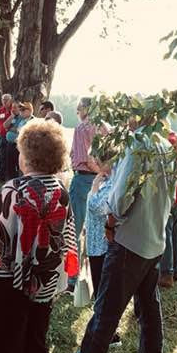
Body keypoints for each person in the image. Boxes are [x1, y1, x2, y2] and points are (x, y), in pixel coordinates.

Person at [51, 118, 175, 353]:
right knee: (149, 312)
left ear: (136, 116)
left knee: (105, 314)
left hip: (129, 242)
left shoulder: (136, 144)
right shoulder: (166, 145)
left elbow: (119, 200)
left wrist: (109, 221)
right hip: (154, 240)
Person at [0, 119, 76, 353]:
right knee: (37, 348)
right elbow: (66, 239)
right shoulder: (62, 191)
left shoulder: (11, 190)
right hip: (46, 283)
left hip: (9, 284)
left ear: (26, 155)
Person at [84, 149, 122, 347]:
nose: (96, 165)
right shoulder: (108, 178)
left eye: (98, 161)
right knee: (100, 287)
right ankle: (103, 328)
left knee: (103, 289)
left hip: (103, 245)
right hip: (95, 242)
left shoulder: (111, 182)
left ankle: (110, 334)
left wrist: (94, 186)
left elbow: (96, 206)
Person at [68, 97, 99, 288]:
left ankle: (72, 278)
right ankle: (93, 277)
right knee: (94, 230)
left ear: (84, 109)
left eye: (78, 109)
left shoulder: (82, 128)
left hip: (83, 178)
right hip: (99, 180)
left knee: (74, 230)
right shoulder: (103, 127)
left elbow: (86, 157)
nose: (78, 113)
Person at [159, 128, 177, 288]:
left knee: (167, 233)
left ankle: (166, 273)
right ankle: (176, 269)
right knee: (175, 233)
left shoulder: (168, 141)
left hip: (173, 194)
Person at [1, 102, 33, 182]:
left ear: (29, 110)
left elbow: (23, 132)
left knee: (20, 166)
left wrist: (15, 130)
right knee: (10, 165)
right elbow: (6, 127)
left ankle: (20, 182)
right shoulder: (19, 118)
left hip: (21, 147)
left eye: (23, 109)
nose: (21, 111)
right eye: (20, 109)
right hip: (12, 145)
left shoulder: (32, 120)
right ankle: (10, 181)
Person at [0, 94, 14, 181]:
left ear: (10, 100)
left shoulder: (13, 110)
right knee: (1, 156)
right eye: (3, 99)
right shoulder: (1, 110)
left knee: (8, 156)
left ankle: (8, 176)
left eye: (6, 99)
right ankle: (0, 175)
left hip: (9, 137)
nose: (4, 101)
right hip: (1, 135)